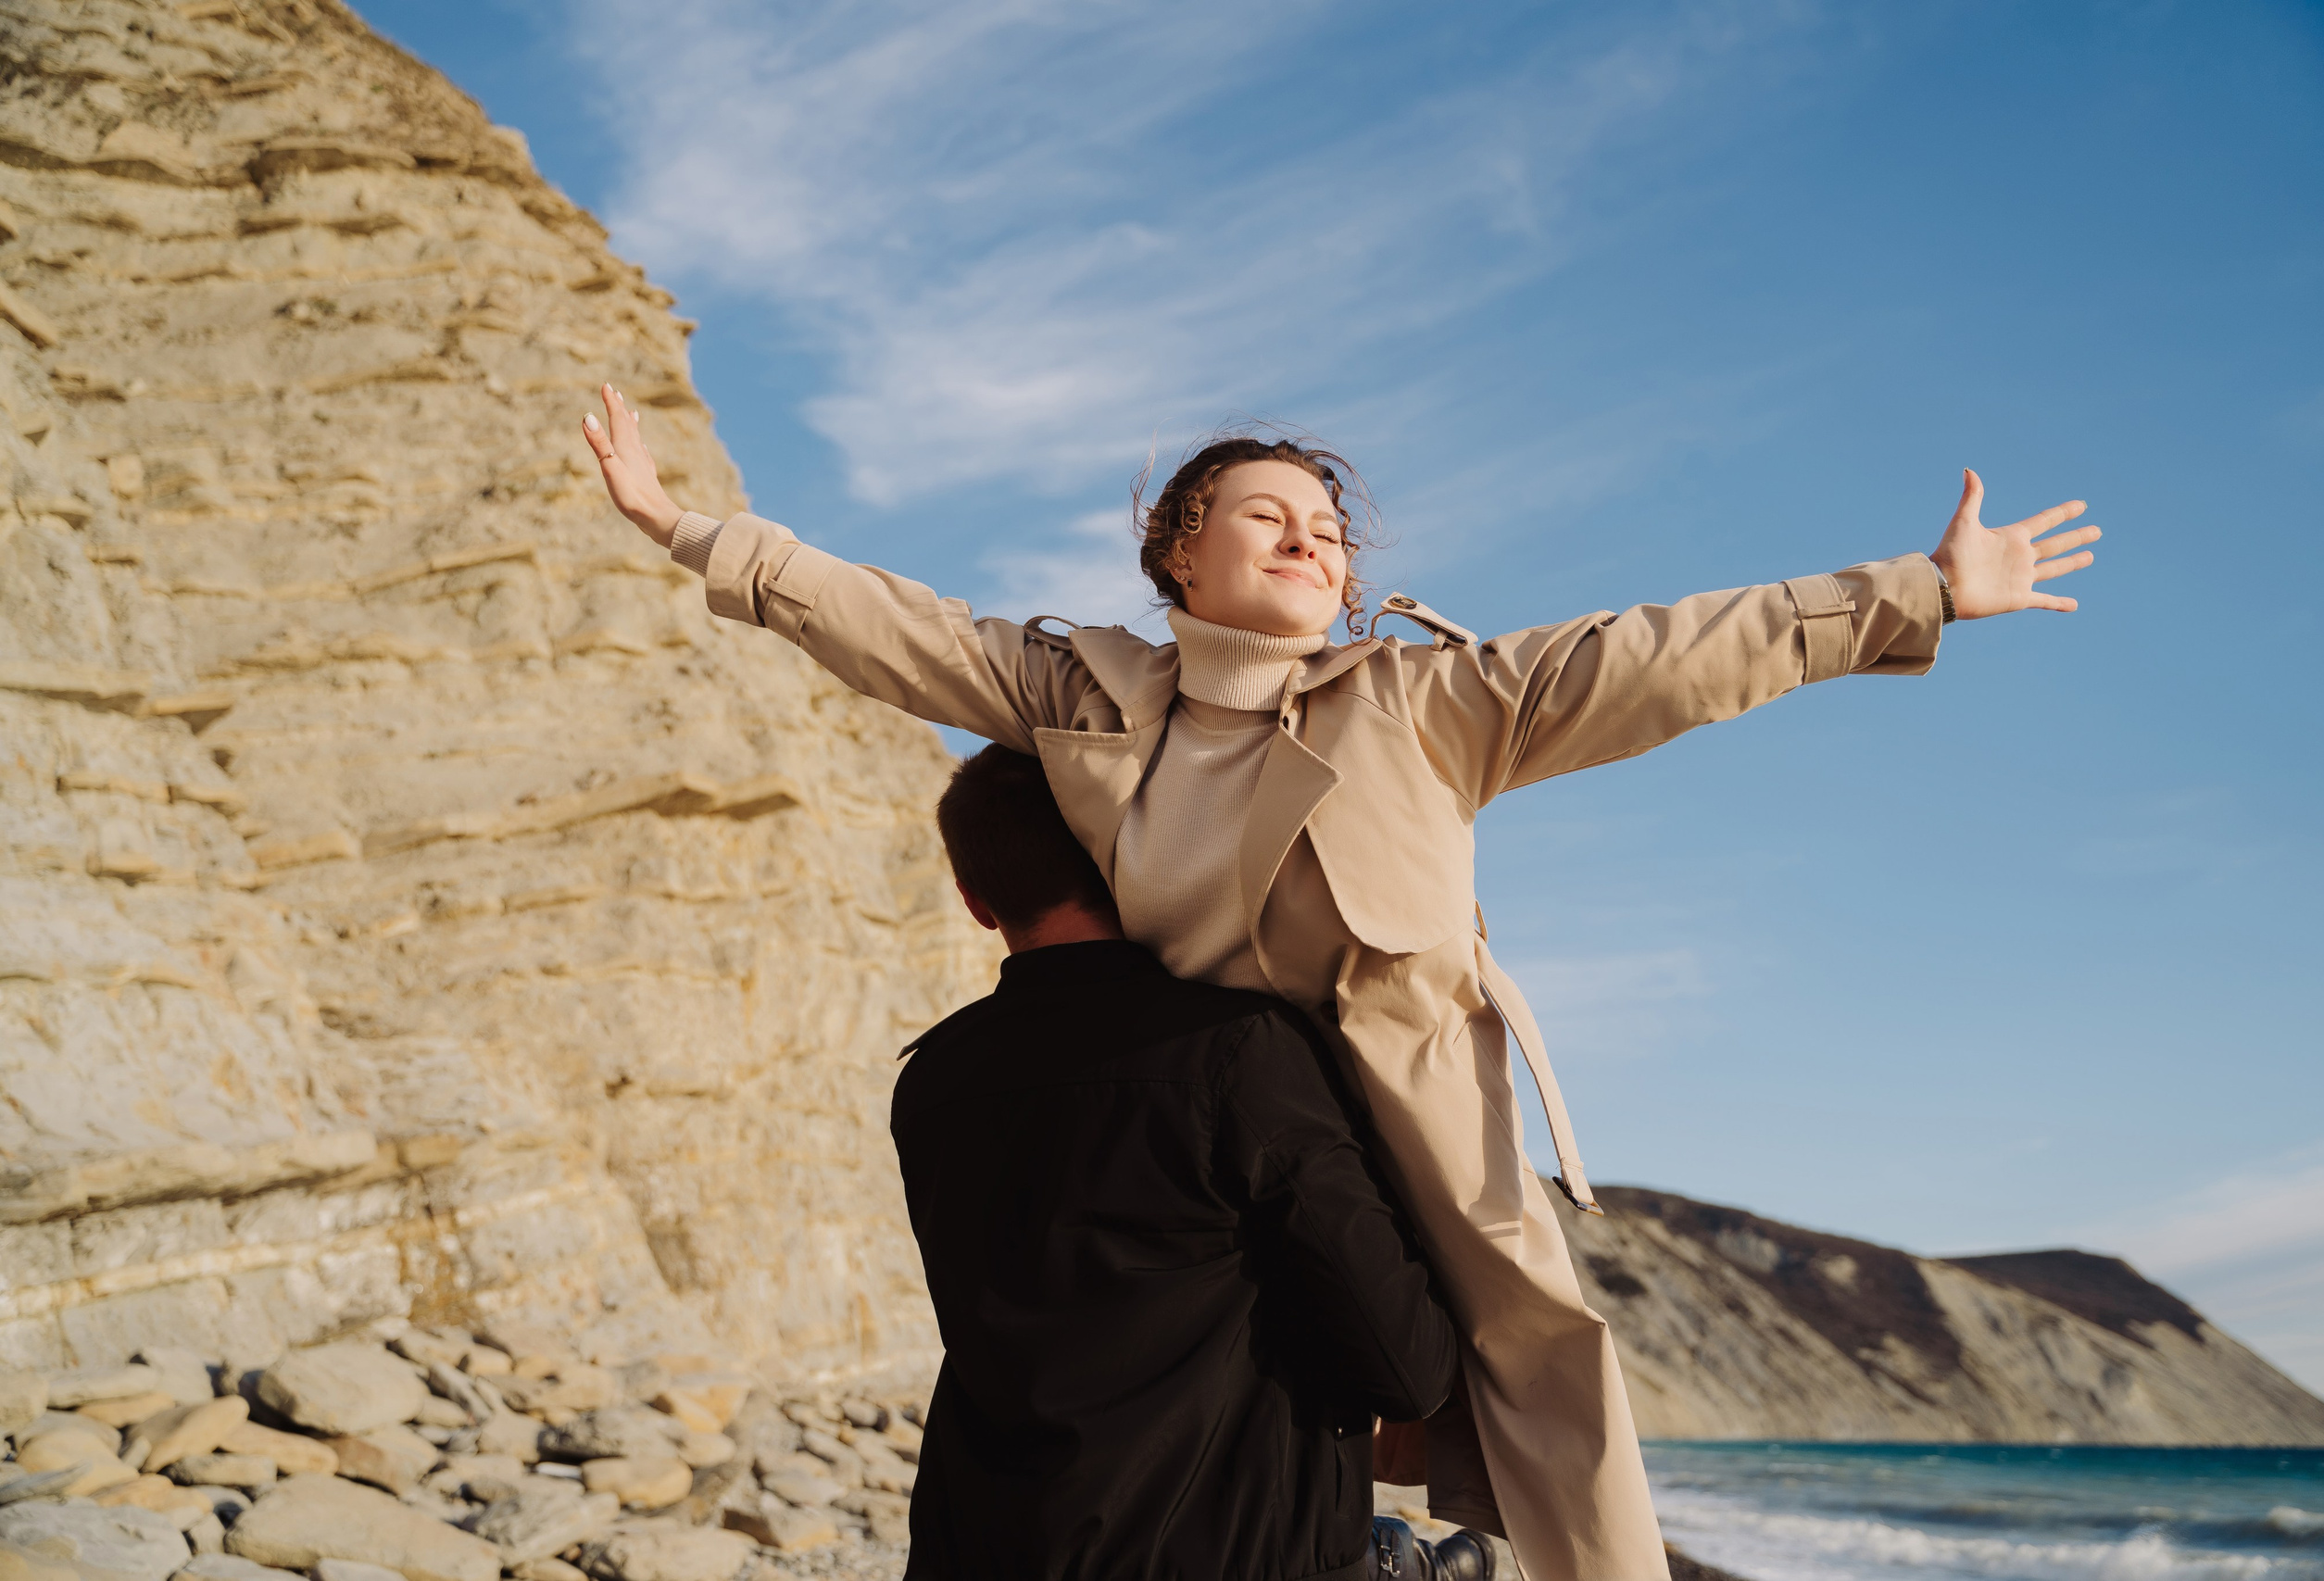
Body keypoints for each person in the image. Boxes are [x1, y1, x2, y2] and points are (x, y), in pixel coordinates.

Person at [584, 388, 2100, 1581]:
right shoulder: (1089, 696)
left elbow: (1664, 654)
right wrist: (684, 528)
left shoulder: (1429, 700)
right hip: (1219, 1105)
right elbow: (899, 631)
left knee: (1550, 1380)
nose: (1315, 541)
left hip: (1417, 1109)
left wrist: (1917, 592)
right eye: (1268, 515)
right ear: (1179, 552)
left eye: (1329, 525)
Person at [899, 742, 1483, 1578]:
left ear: (976, 902)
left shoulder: (931, 1080)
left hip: (985, 1546)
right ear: (1128, 849)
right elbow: (1407, 1366)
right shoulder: (1236, 1050)